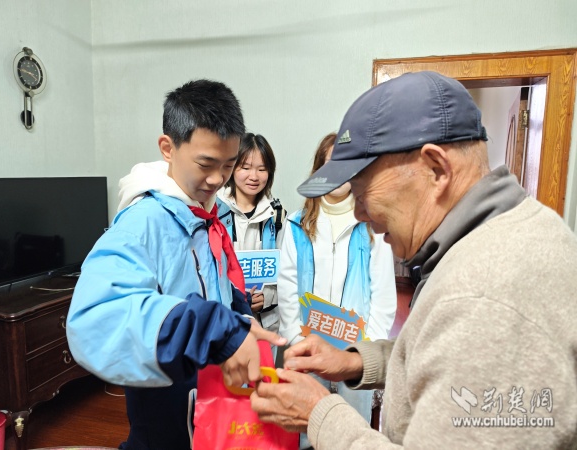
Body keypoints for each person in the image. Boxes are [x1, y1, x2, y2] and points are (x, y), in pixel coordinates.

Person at [250, 71, 577, 449]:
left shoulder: (484, 298)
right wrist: (357, 361)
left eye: (362, 193)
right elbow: (445, 357)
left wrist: (319, 414)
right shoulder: (497, 236)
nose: (358, 213)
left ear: (436, 168)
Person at [66, 79, 285, 450]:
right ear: (168, 148)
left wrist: (238, 316)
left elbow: (209, 288)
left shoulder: (205, 213)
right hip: (166, 414)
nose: (218, 179)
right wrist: (215, 330)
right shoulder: (144, 221)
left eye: (228, 165)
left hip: (209, 407)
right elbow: (94, 319)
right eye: (206, 164)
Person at [278, 132, 397, 448]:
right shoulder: (296, 224)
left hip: (354, 351)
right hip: (308, 345)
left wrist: (365, 349)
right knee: (306, 430)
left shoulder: (371, 225)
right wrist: (298, 341)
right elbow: (287, 287)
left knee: (351, 431)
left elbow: (383, 294)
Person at [217, 132, 287, 335]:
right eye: (245, 168)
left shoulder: (278, 216)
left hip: (267, 324)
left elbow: (289, 271)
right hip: (226, 321)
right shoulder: (215, 212)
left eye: (262, 169)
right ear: (231, 168)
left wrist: (268, 297)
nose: (254, 176)